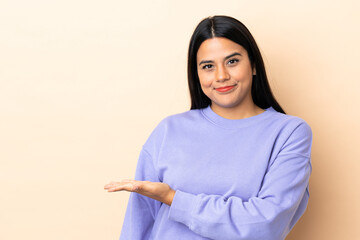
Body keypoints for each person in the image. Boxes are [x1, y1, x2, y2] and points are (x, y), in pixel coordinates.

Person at [104, 15, 313, 240]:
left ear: (253, 65)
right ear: (197, 74)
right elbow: (139, 225)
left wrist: (174, 199)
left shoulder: (289, 133)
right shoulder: (168, 131)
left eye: (232, 61)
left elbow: (265, 225)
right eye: (208, 66)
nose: (221, 76)